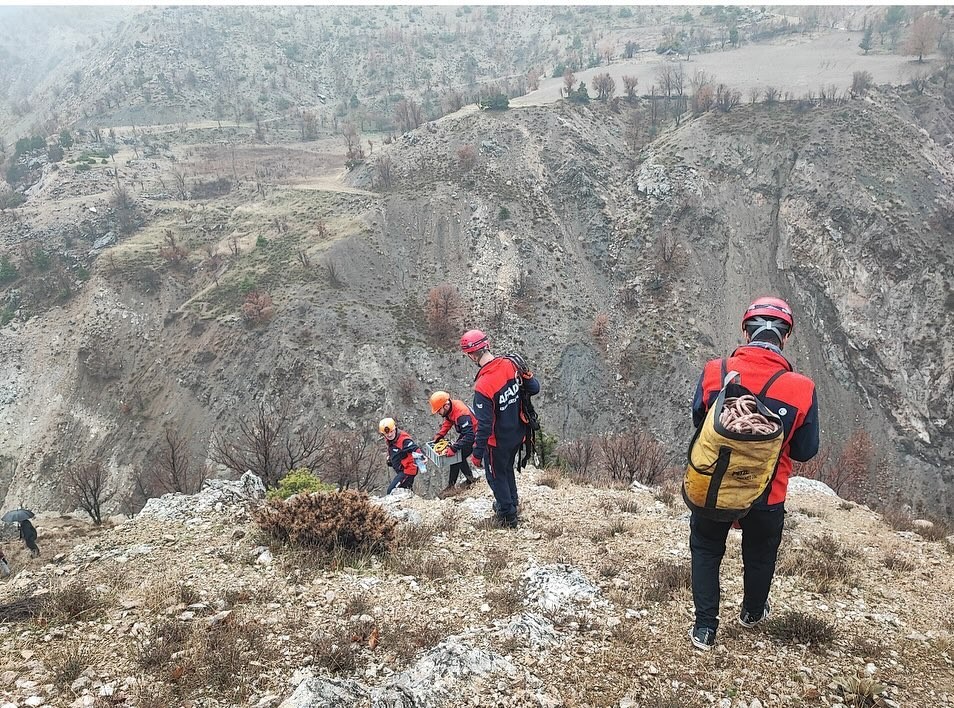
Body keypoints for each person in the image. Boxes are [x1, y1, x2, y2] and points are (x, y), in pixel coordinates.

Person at [688, 296, 819, 651]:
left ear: (746, 331)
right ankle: (752, 612)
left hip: (715, 484)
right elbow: (806, 450)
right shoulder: (802, 388)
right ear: (785, 337)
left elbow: (701, 423)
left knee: (705, 547)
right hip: (768, 491)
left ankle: (705, 628)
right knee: (760, 554)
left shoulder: (715, 370)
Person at [460, 329, 540, 529]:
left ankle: (507, 515)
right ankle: (511, 502)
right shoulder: (511, 364)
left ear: (471, 355)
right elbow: (534, 388)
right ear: (488, 345)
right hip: (518, 433)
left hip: (498, 442)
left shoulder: (483, 386)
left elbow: (485, 426)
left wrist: (477, 454)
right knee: (506, 470)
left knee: (495, 475)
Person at [429, 390, 478, 494]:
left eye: (439, 410)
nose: (438, 413)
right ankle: (469, 480)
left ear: (445, 406)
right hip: (469, 433)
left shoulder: (461, 414)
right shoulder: (451, 407)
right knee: (458, 457)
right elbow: (449, 420)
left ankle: (454, 485)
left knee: (456, 456)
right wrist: (441, 434)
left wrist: (453, 448)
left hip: (476, 435)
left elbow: (470, 436)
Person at [379, 417, 422, 495]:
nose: (389, 435)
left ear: (395, 428)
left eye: (391, 432)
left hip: (408, 471)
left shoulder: (404, 440)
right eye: (386, 434)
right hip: (402, 469)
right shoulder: (390, 439)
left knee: (391, 491)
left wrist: (422, 457)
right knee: (406, 490)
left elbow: (415, 448)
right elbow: (393, 449)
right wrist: (391, 459)